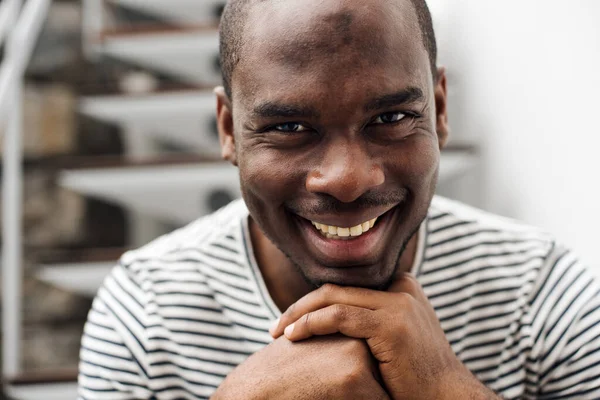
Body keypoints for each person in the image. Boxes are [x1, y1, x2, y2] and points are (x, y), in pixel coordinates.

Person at [77, 0, 600, 399]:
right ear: (229, 129)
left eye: (390, 119)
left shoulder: (539, 292)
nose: (347, 180)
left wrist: (443, 385)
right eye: (288, 127)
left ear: (439, 110)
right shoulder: (147, 316)